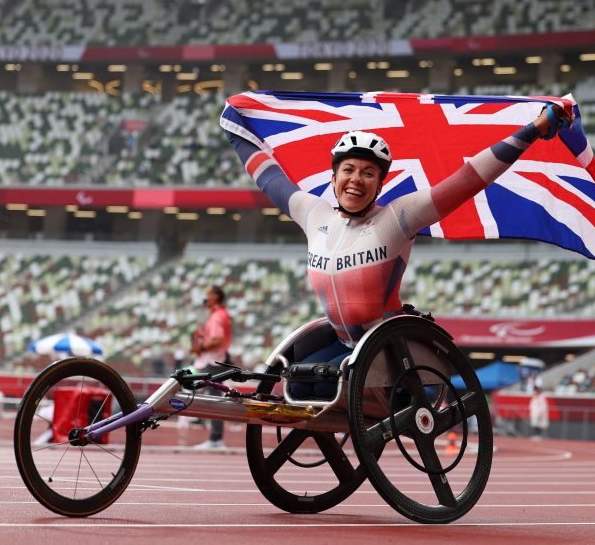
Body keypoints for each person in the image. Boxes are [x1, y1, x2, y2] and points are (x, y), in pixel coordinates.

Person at [224, 101, 572, 398]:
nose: (356, 180)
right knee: (297, 387)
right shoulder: (314, 214)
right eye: (348, 170)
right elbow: (269, 179)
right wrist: (233, 125)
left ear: (380, 183)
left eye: (368, 173)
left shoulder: (397, 217)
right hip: (341, 342)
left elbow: (467, 180)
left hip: (385, 347)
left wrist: (533, 129)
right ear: (334, 177)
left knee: (317, 383)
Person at [190, 285, 233, 450]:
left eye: (207, 294)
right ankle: (215, 437)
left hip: (213, 361)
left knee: (214, 398)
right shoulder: (220, 314)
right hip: (215, 359)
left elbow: (217, 339)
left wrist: (200, 348)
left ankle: (215, 438)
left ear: (215, 296)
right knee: (214, 396)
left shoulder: (217, 316)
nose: (205, 297)